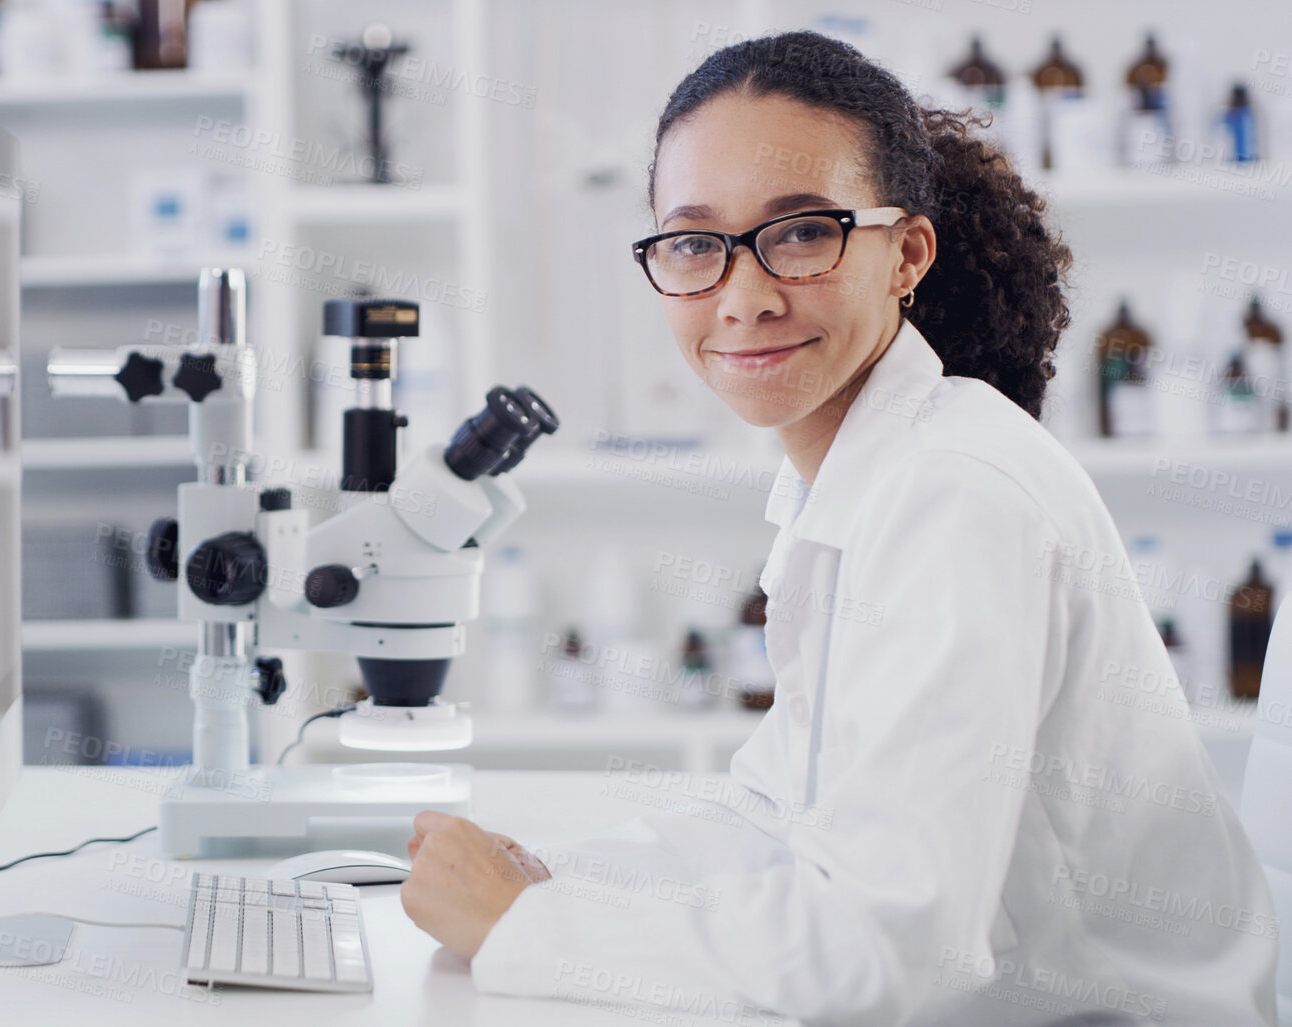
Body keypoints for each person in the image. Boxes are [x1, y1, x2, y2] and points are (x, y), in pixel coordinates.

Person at [399, 30, 1278, 1026]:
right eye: (694, 243)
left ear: (907, 254)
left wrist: (525, 927)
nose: (744, 296)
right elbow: (774, 817)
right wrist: (552, 878)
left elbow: (883, 951)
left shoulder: (954, 493)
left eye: (803, 232)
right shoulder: (869, 478)